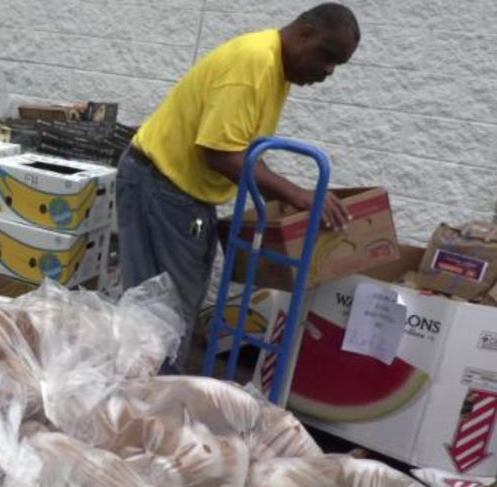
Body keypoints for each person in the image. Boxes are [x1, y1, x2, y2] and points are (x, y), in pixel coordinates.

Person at [117, 2, 360, 373]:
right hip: (163, 186)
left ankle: (145, 404)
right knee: (164, 315)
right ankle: (149, 411)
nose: (328, 71)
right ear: (304, 33)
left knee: (168, 310)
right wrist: (294, 194)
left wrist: (279, 192)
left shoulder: (274, 67)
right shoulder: (254, 65)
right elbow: (219, 153)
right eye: (327, 57)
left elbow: (241, 147)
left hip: (180, 192)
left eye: (337, 65)